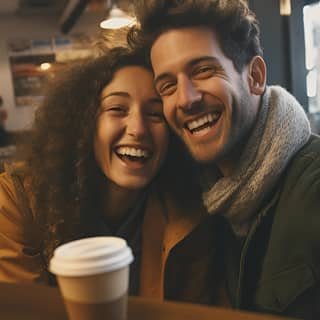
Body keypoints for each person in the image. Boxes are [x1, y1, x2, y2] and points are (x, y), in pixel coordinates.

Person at [128, 0, 320, 318]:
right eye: (167, 86)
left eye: (203, 70)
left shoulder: (313, 192)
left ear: (256, 76)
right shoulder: (201, 196)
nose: (186, 99)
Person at [0, 46, 225, 303]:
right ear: (85, 124)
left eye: (155, 114)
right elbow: (24, 310)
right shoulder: (16, 203)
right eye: (117, 109)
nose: (138, 129)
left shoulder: (188, 210)